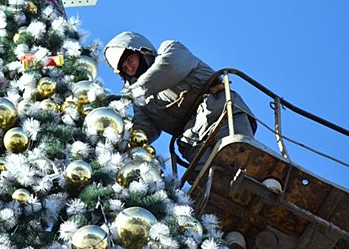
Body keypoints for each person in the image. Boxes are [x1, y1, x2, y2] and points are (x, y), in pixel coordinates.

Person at [104, 31, 256, 181]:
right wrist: (119, 142)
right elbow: (143, 130)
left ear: (143, 51)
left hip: (219, 114)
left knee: (243, 160)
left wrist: (134, 92)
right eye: (124, 68)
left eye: (130, 60)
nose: (129, 68)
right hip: (193, 142)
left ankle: (269, 183)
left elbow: (168, 67)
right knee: (214, 182)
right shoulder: (142, 102)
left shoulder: (171, 50)